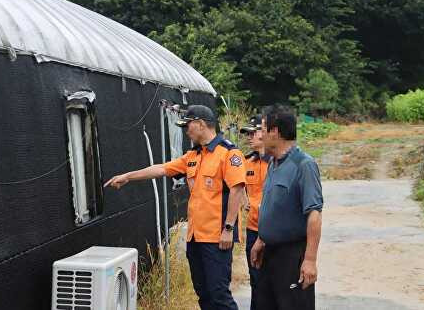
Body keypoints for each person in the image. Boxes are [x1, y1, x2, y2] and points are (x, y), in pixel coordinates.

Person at [105, 105, 246, 309]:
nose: (185, 130)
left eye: (188, 125)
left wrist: (229, 229)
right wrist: (128, 177)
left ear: (201, 124)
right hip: (195, 237)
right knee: (203, 294)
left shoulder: (228, 154)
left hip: (216, 237)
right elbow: (161, 169)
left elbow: (237, 190)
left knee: (219, 294)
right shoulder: (193, 156)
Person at [249, 105, 323, 310]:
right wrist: (261, 239)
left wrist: (310, 260)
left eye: (263, 128)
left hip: (292, 257)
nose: (260, 134)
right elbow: (275, 208)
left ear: (275, 131)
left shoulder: (304, 165)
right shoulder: (273, 163)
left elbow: (314, 215)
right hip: (270, 254)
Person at [239, 115, 271, 310]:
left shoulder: (277, 161)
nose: (249, 137)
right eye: (247, 133)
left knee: (274, 282)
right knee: (256, 280)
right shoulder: (246, 162)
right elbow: (235, 183)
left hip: (274, 231)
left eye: (253, 132)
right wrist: (244, 200)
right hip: (253, 229)